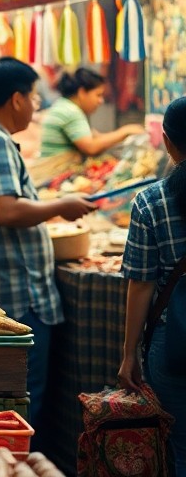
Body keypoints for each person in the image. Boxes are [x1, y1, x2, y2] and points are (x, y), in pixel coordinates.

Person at [0, 58, 95, 428]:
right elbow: (7, 211)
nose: (37, 106)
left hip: (1, 287)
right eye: (34, 97)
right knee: (23, 400)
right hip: (18, 295)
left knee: (7, 395)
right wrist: (62, 205)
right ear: (16, 99)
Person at [118, 96, 186, 470]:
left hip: (174, 342)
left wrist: (129, 354)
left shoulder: (151, 202)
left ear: (167, 142)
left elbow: (141, 284)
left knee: (179, 447)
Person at [40, 67, 144, 158]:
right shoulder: (71, 111)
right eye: (98, 95)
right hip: (56, 174)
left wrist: (123, 134)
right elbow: (91, 147)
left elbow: (95, 137)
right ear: (82, 92)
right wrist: (125, 131)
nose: (101, 101)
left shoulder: (64, 105)